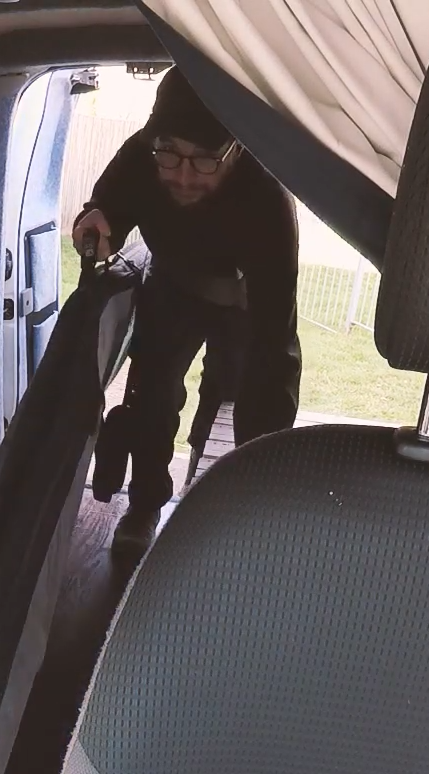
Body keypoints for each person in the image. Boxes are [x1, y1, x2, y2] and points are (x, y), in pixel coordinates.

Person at [74, 68, 300, 553]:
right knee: (151, 396)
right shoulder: (142, 153)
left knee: (236, 397)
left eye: (203, 162)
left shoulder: (268, 199)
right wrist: (94, 220)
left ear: (235, 149)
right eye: (170, 155)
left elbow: (274, 340)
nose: (181, 174)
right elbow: (105, 207)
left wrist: (265, 462)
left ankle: (213, 500)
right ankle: (145, 504)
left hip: (246, 301)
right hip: (172, 284)